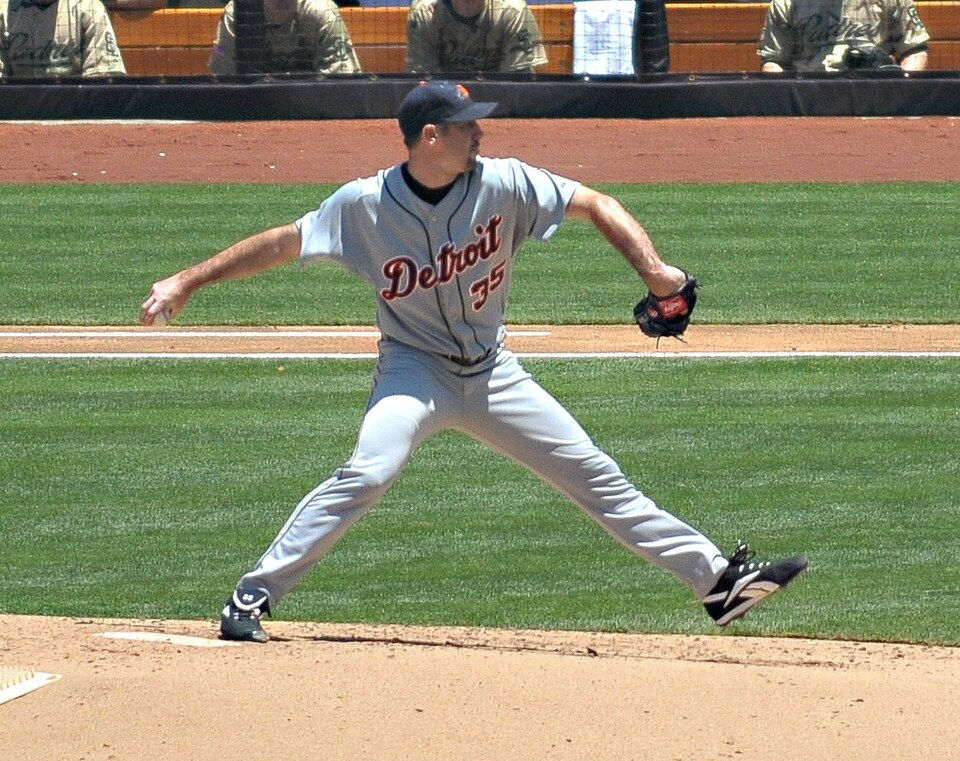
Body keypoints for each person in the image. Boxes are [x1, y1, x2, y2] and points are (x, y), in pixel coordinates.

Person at [140, 79, 809, 643]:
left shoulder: (506, 183)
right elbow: (282, 244)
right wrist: (186, 281)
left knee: (596, 475)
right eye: (465, 126)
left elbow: (594, 203)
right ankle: (250, 599)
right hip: (414, 371)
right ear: (430, 136)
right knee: (369, 468)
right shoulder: (365, 206)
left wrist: (657, 271)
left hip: (493, 373)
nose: (479, 135)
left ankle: (718, 584)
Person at [758, 0, 930, 72]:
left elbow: (914, 49)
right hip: (810, 98)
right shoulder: (785, 3)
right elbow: (775, 61)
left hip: (873, 96)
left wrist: (903, 86)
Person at [208, 0, 361, 75]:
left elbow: (341, 84)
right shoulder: (238, 15)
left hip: (312, 110)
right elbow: (224, 78)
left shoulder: (322, 13)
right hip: (256, 109)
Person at [406, 0, 547, 75]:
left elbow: (518, 84)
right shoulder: (424, 14)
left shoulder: (512, 10)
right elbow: (423, 81)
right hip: (446, 107)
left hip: (499, 104)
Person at [0, 0, 126, 78]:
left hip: (75, 110)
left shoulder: (89, 8)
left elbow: (104, 80)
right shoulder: (3, 11)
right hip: (18, 111)